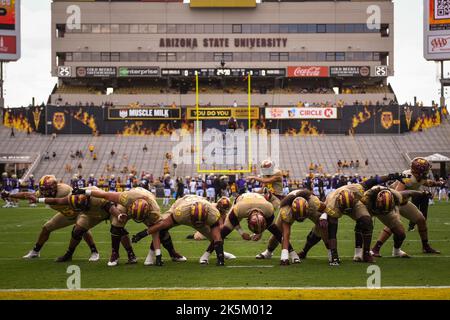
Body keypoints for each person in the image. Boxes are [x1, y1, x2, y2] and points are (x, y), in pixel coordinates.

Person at [1, 175, 100, 261]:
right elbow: (26, 195)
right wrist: (10, 194)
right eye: (43, 190)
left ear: (54, 187)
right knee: (47, 227)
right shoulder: (43, 192)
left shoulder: (64, 190)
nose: (45, 193)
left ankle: (94, 252)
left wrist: (38, 200)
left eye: (47, 190)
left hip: (78, 212)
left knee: (81, 229)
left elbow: (56, 201)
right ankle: (36, 251)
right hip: (66, 214)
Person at [133, 195, 225, 266]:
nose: (197, 224)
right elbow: (163, 224)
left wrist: (220, 257)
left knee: (217, 237)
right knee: (162, 228)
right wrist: (144, 233)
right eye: (196, 222)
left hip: (199, 208)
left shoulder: (213, 213)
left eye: (200, 222)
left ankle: (206, 256)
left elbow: (217, 237)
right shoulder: (181, 212)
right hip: (181, 204)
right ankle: (158, 255)